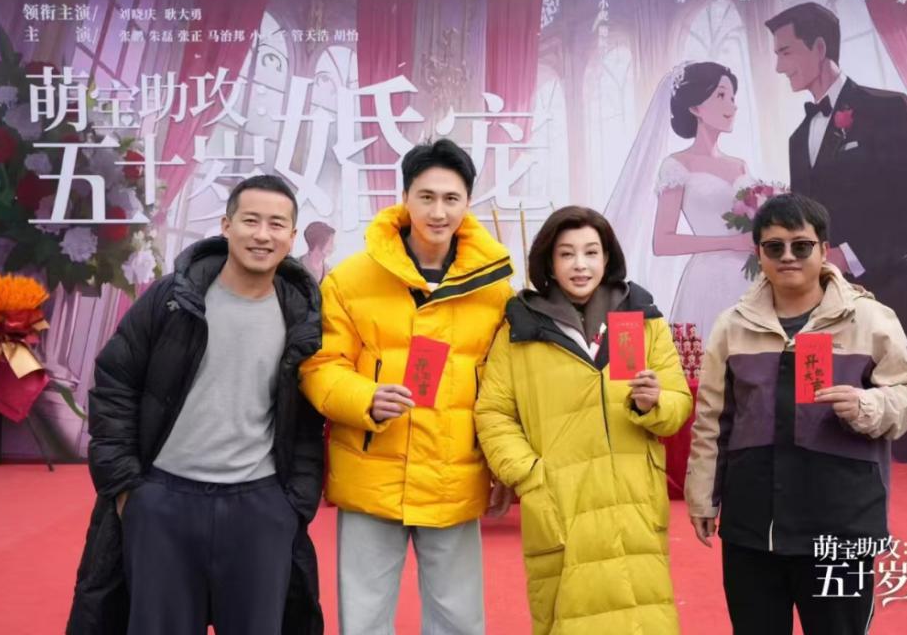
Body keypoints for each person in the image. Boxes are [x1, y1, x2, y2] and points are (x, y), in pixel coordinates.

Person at [68, 175, 326, 635]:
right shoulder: (173, 299)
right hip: (163, 502)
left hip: (260, 505)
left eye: (276, 224)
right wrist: (128, 489)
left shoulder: (301, 316)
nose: (262, 235)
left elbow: (308, 417)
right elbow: (115, 383)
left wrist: (292, 505)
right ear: (226, 226)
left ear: (291, 236)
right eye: (250, 220)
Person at [300, 138, 514, 635]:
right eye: (426, 197)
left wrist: (503, 465)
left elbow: (502, 386)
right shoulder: (351, 279)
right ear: (404, 198)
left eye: (451, 198)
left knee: (458, 619)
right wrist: (364, 398)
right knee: (364, 618)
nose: (438, 212)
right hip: (371, 470)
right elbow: (320, 365)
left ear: (468, 202)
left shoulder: (494, 287)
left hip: (453, 471)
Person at [686, 193, 907, 635]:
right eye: (774, 246)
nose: (788, 256)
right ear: (759, 253)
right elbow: (713, 420)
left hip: (842, 525)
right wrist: (704, 496)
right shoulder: (732, 326)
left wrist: (867, 405)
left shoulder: (871, 319)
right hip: (753, 528)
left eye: (801, 245)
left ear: (823, 248)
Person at [476, 205, 692, 634]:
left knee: (644, 614)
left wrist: (654, 404)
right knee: (570, 615)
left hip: (634, 497)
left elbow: (678, 401)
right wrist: (529, 475)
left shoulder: (641, 319)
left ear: (607, 258)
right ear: (549, 262)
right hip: (561, 500)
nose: (580, 265)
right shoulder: (521, 329)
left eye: (591, 252)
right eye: (567, 254)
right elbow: (494, 412)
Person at [766, 2, 907, 461]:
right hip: (819, 308)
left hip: (887, 299)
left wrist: (851, 255)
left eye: (785, 52)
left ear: (818, 47)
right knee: (821, 432)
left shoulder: (886, 109)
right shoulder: (797, 138)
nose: (779, 66)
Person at [606, 62, 753, 335]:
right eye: (721, 95)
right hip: (709, 280)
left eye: (733, 98)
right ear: (695, 107)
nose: (732, 106)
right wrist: (732, 242)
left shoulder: (740, 165)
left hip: (751, 277)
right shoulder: (677, 165)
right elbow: (663, 242)